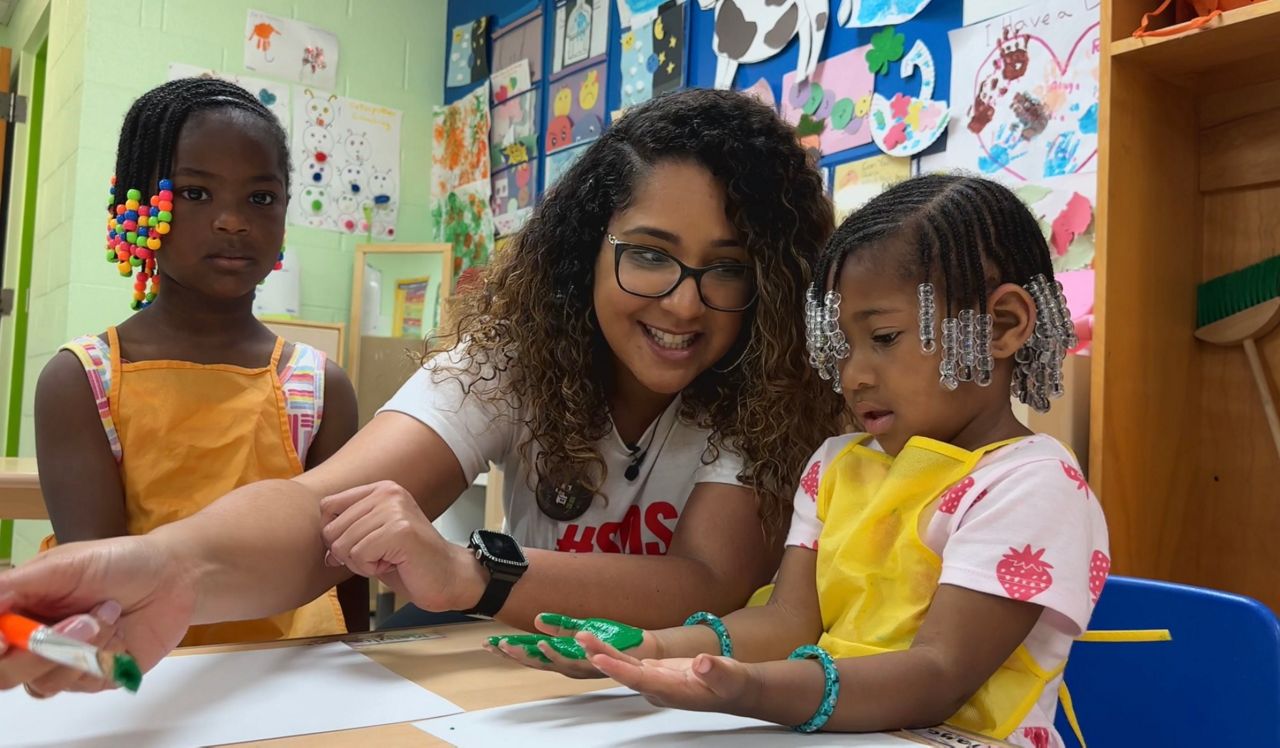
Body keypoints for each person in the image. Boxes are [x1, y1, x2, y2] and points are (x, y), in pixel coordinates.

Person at [0, 88, 843, 696]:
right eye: (650, 253)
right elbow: (320, 508)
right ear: (588, 247)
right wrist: (166, 568)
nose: (685, 301)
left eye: (727, 268)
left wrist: (474, 571)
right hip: (531, 692)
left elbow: (710, 580)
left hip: (706, 699)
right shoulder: (516, 359)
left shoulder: (766, 385)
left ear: (769, 282)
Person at [490, 175, 1109, 748]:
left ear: (1002, 325)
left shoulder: (1029, 486)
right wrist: (648, 649)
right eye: (840, 348)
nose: (853, 376)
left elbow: (936, 677)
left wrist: (753, 689)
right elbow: (788, 622)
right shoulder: (838, 465)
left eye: (885, 338)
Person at [31, 77, 363, 648]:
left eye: (261, 198)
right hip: (139, 674)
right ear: (137, 204)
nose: (232, 221)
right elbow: (99, 584)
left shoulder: (319, 385)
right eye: (195, 193)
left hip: (292, 675)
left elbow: (349, 564)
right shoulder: (83, 379)